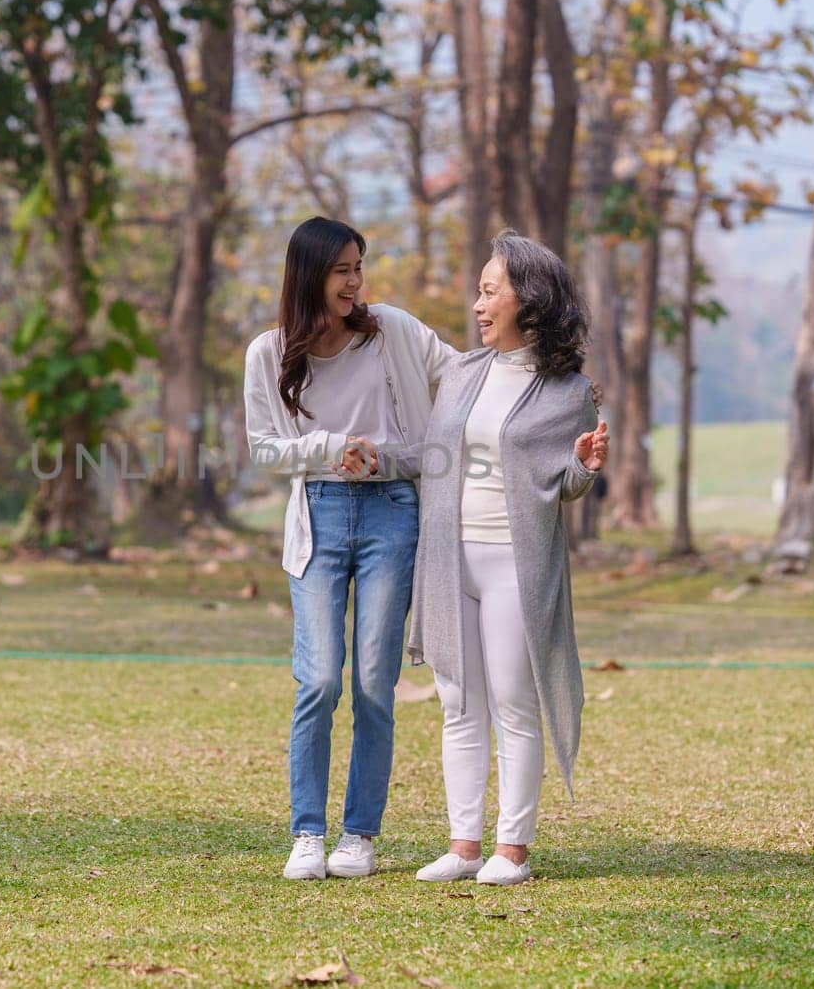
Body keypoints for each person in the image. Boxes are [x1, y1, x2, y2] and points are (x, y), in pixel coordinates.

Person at [243, 216, 458, 879]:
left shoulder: (391, 329)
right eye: (342, 269)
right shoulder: (268, 352)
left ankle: (359, 835)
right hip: (320, 515)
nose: (355, 282)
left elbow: (463, 376)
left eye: (358, 267)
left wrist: (538, 381)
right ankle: (307, 833)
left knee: (372, 682)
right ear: (310, 274)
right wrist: (334, 448)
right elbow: (264, 447)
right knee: (318, 678)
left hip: (394, 514)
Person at [407, 231, 610, 887]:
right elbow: (434, 455)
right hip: (447, 560)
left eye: (491, 291)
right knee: (458, 701)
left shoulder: (569, 390)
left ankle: (512, 850)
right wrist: (377, 457)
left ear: (532, 300)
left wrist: (582, 467)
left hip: (514, 566)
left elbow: (562, 483)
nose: (478, 303)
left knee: (514, 705)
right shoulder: (464, 373)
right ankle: (464, 846)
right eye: (480, 290)